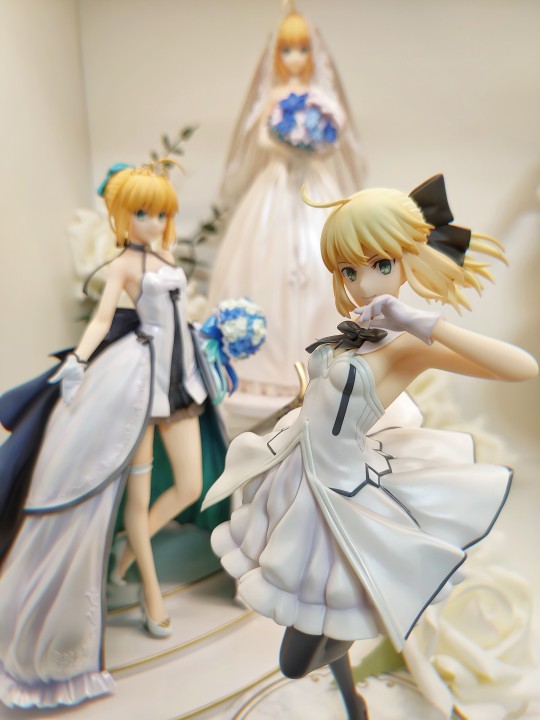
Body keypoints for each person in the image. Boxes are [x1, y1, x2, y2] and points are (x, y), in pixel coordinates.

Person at [202, 174, 538, 720]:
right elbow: (318, 401)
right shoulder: (354, 331)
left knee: (297, 657)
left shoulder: (406, 348)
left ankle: (359, 648)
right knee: (313, 612)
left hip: (345, 498)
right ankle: (352, 700)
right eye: (348, 271)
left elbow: (522, 367)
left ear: (407, 261)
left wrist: (425, 324)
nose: (362, 283)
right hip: (298, 484)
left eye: (380, 265)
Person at [0, 159, 209, 708]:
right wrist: (77, 360)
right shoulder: (123, 265)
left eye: (160, 214)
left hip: (180, 380)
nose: (153, 222)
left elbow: (180, 316)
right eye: (142, 213)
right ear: (121, 215)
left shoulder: (167, 255)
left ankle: (124, 558)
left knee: (190, 485)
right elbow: (100, 319)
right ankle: (151, 593)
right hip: (137, 385)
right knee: (135, 497)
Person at [208, 10, 364, 396]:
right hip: (278, 182)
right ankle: (268, 370)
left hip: (314, 182)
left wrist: (317, 139)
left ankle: (328, 360)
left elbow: (335, 141)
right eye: (288, 50)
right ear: (277, 55)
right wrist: (285, 137)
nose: (295, 58)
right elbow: (261, 138)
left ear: (313, 54)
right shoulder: (275, 97)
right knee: (266, 261)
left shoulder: (321, 98)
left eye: (302, 50)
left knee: (321, 260)